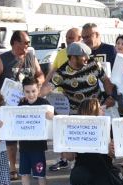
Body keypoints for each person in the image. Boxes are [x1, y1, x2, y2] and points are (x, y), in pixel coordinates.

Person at [42, 42, 114, 171]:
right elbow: (48, 88)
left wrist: (110, 96)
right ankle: (81, 174)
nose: (87, 58)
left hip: (97, 113)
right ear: (73, 57)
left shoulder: (93, 63)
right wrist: (32, 96)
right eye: (83, 56)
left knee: (102, 146)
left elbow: (106, 81)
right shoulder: (62, 73)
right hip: (77, 116)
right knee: (78, 151)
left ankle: (104, 173)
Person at [0, 30, 44, 180]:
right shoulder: (2, 59)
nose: (28, 45)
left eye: (28, 43)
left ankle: (31, 167)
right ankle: (13, 167)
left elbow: (40, 75)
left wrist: (37, 83)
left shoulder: (31, 57)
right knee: (11, 139)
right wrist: (0, 99)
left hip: (29, 104)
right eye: (25, 42)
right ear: (15, 42)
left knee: (29, 137)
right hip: (9, 106)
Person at [10, 77, 55, 185]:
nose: (30, 94)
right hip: (24, 146)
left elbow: (55, 117)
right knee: (24, 173)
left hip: (38, 147)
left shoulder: (44, 103)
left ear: (38, 89)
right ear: (23, 91)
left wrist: (51, 116)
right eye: (27, 91)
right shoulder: (21, 104)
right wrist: (3, 124)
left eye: (33, 91)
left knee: (40, 174)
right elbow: (14, 120)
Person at [69, 98, 116, 185]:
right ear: (90, 112)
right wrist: (66, 145)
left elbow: (113, 156)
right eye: (99, 108)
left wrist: (111, 150)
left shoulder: (108, 127)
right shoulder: (76, 129)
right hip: (83, 169)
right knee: (76, 176)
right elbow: (69, 157)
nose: (103, 109)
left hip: (103, 170)